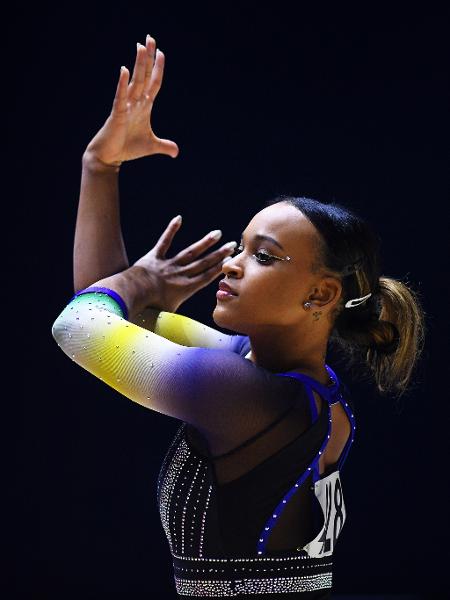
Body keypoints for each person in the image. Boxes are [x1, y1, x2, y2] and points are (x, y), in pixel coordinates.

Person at [51, 35, 425, 599]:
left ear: (322, 295)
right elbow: (105, 313)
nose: (232, 262)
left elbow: (79, 326)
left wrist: (140, 282)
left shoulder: (247, 397)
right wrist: (101, 167)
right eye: (240, 246)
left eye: (263, 256)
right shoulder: (275, 381)